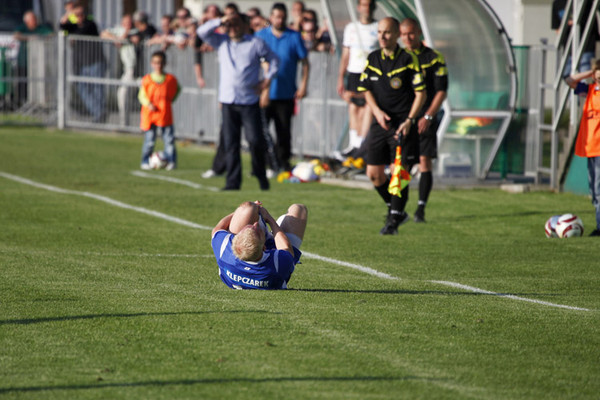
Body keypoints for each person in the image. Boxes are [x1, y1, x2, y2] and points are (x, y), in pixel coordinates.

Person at [357, 17, 426, 235]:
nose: (383, 36)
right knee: (374, 174)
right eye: (379, 32)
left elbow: (421, 94)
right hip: (380, 123)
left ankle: (393, 221)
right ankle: (396, 209)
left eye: (387, 32)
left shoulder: (408, 59)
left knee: (399, 173)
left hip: (402, 124)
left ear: (397, 35)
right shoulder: (373, 58)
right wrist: (377, 112)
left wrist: (410, 120)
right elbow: (365, 89)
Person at [198, 12, 279, 190]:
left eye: (236, 24)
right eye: (230, 25)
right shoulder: (222, 42)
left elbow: (274, 59)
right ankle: (233, 182)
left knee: (255, 140)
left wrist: (266, 80)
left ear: (244, 25)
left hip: (249, 101)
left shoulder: (255, 43)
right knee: (230, 143)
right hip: (228, 101)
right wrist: (220, 20)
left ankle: (260, 174)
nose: (233, 28)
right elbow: (201, 32)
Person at [400, 18, 448, 223]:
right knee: (401, 164)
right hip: (404, 118)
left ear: (419, 32)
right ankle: (398, 208)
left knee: (424, 161)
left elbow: (441, 91)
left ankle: (421, 208)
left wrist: (428, 115)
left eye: (411, 33)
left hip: (425, 118)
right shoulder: (398, 57)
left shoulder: (434, 58)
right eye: (403, 34)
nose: (408, 38)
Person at [256, 2, 309, 173]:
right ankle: (265, 163)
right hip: (264, 93)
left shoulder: (294, 36)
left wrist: (303, 85)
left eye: (282, 17)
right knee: (261, 131)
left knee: (284, 131)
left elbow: (305, 63)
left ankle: (283, 163)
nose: (279, 20)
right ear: (271, 17)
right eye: (276, 17)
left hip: (285, 93)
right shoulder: (261, 36)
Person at [211, 200, 308, 289]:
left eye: (249, 227)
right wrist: (268, 218)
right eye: (256, 229)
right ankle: (271, 228)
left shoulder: (226, 251)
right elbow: (286, 249)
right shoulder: (278, 264)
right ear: (264, 247)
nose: (255, 224)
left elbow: (217, 230)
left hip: (257, 251)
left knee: (247, 208)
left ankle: (251, 215)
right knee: (299, 209)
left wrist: (239, 212)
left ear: (236, 240)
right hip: (276, 253)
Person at [336, 0, 378, 159]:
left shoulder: (377, 27)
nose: (367, 9)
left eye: (369, 5)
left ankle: (361, 145)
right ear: (359, 7)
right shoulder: (351, 28)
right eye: (364, 5)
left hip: (370, 74)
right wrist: (340, 77)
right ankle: (353, 145)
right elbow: (345, 54)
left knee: (367, 107)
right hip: (354, 73)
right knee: (354, 107)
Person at [565, 61, 600, 236]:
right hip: (590, 147)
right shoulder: (590, 90)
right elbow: (569, 80)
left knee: (599, 189)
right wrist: (589, 73)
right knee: (594, 190)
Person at [59, 3, 106, 123]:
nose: (79, 16)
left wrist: (73, 34)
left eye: (80, 14)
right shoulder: (73, 26)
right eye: (77, 14)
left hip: (95, 62)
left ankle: (99, 114)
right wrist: (68, 14)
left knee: (97, 88)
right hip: (81, 64)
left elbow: (81, 32)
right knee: (82, 88)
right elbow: (61, 26)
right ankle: (98, 112)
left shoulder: (90, 23)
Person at [138, 51, 181, 171]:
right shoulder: (147, 79)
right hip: (150, 115)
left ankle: (171, 161)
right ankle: (145, 161)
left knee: (169, 140)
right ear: (152, 63)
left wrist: (169, 100)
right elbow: (141, 95)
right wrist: (148, 104)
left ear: (165, 63)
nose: (158, 65)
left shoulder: (170, 79)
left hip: (165, 114)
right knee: (150, 141)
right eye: (156, 63)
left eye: (161, 63)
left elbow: (177, 90)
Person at [101, 14, 136, 125]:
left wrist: (124, 37)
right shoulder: (119, 31)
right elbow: (103, 34)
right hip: (128, 70)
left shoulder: (135, 31)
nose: (128, 25)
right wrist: (117, 39)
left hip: (140, 70)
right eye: (125, 23)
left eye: (129, 23)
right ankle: (124, 123)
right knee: (122, 94)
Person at [13, 10, 53, 107]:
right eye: (32, 19)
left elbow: (51, 34)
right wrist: (29, 37)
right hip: (24, 61)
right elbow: (16, 35)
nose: (34, 21)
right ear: (26, 21)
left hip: (37, 62)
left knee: (37, 82)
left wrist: (39, 37)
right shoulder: (23, 27)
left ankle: (36, 103)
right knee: (22, 81)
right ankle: (21, 102)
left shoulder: (40, 28)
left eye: (35, 19)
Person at [552, 0, 598, 77]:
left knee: (584, 75)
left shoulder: (586, 2)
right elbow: (557, 29)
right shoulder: (557, 3)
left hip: (586, 47)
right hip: (568, 49)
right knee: (566, 75)